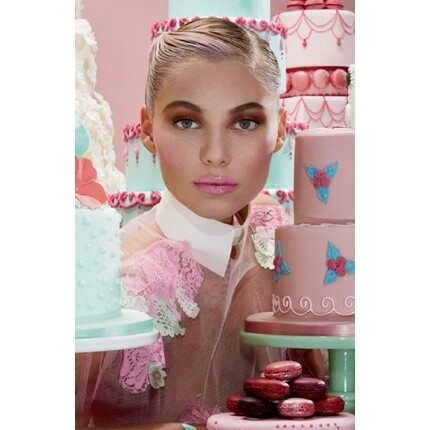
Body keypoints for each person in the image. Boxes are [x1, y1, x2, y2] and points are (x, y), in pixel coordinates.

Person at [75, 17, 325, 429]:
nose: (215, 153)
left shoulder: (276, 232)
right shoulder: (119, 284)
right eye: (187, 122)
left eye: (244, 122)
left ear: (280, 129)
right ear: (149, 129)